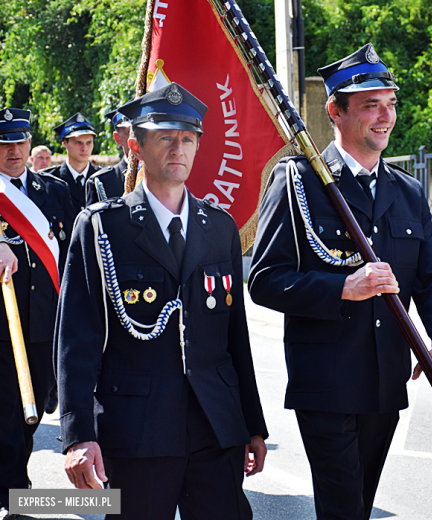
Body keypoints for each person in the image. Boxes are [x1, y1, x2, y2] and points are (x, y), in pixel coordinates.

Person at [248, 43, 432, 520]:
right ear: (335, 112)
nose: (385, 116)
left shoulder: (406, 190)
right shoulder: (298, 181)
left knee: (358, 506)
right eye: (370, 105)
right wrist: (342, 287)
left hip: (385, 382)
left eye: (390, 103)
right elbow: (264, 280)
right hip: (325, 380)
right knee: (342, 506)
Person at [57, 83, 268, 519]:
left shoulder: (220, 228)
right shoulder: (100, 229)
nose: (179, 148)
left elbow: (235, 338)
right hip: (137, 433)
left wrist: (252, 424)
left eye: (188, 138)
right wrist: (78, 435)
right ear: (136, 145)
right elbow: (77, 341)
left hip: (216, 427)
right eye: (165, 137)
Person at [0, 108, 75, 520]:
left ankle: (14, 483)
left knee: (32, 411)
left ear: (30, 143)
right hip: (2, 327)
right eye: (5, 143)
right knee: (9, 408)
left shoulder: (54, 190)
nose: (14, 151)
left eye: (20, 142)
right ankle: (15, 494)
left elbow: (75, 251)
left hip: (44, 324)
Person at [44, 112, 100, 210]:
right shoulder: (49, 180)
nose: (84, 148)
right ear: (64, 143)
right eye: (78, 143)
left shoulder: (102, 177)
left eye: (89, 143)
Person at [85, 107, 131, 205]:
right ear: (118, 138)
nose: (139, 138)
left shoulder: (166, 174)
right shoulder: (103, 181)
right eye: (131, 133)